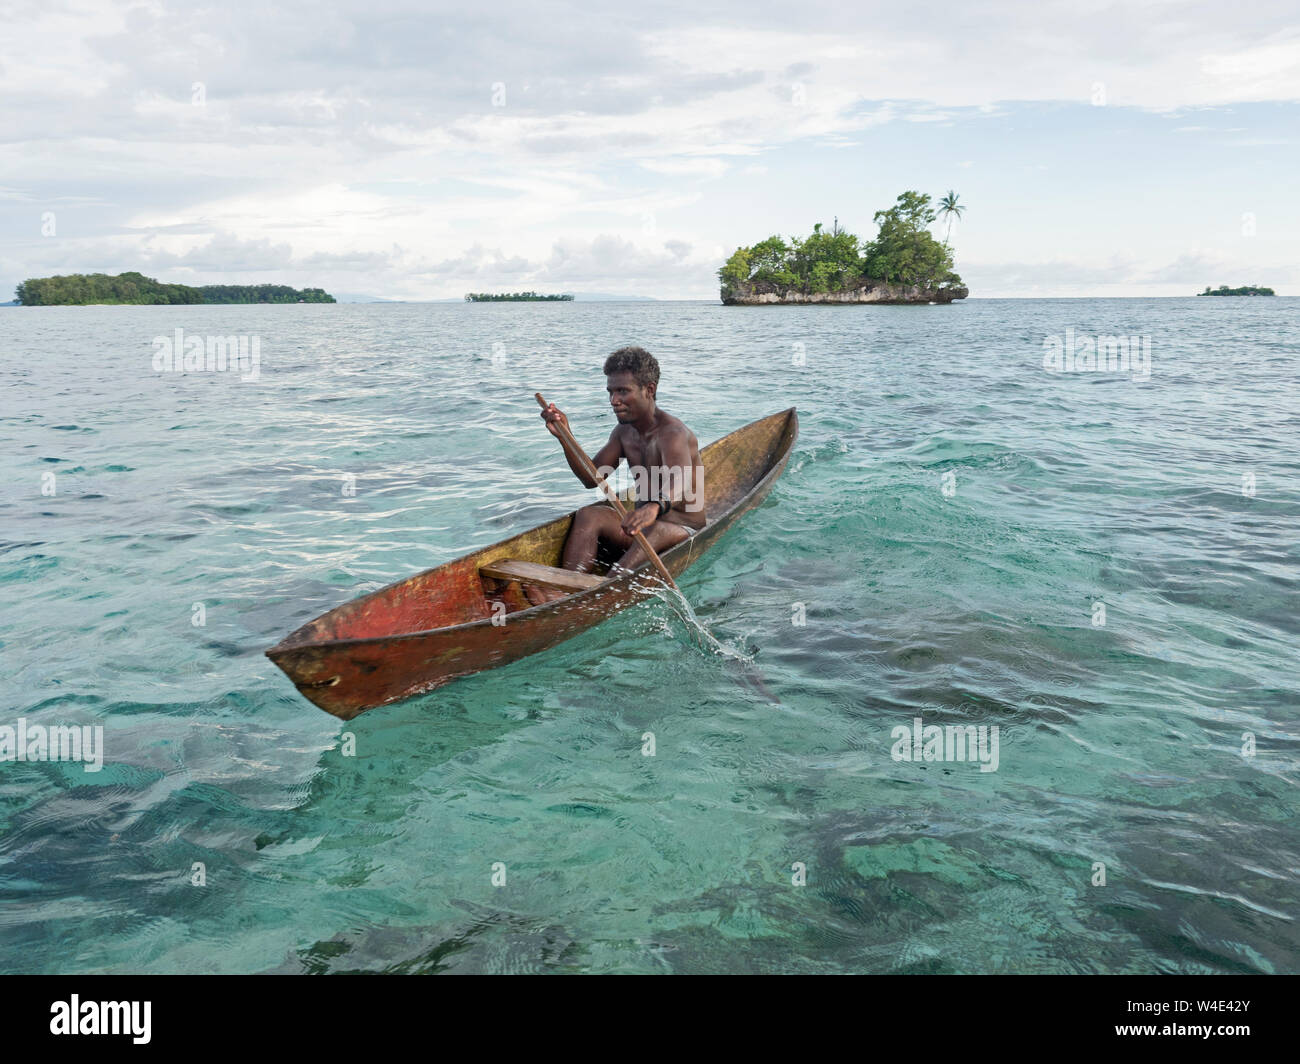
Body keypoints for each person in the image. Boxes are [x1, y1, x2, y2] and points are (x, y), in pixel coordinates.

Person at [528, 346, 706, 605]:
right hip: (641, 530)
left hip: (683, 530)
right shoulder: (623, 433)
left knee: (656, 528)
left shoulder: (673, 433)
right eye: (611, 392)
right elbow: (593, 478)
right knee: (589, 515)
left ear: (650, 390)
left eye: (623, 391)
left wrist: (655, 507)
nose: (613, 400)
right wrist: (565, 436)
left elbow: (678, 483)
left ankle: (602, 596)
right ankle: (567, 587)